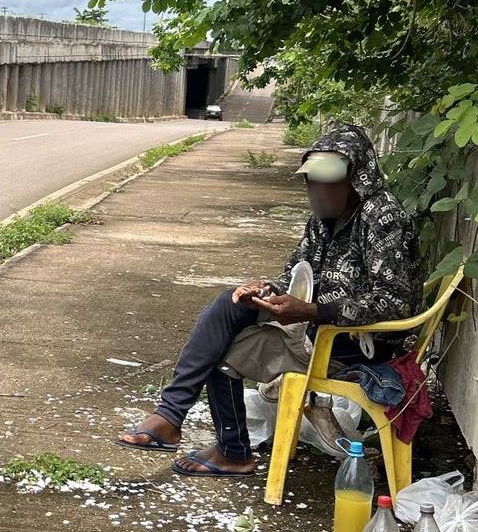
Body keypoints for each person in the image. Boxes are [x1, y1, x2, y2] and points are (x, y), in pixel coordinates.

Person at [117, 123, 420, 478]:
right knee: (230, 308)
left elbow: (396, 302)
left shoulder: (382, 218)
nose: (319, 191)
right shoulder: (324, 220)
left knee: (222, 346)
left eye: (330, 181)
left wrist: (311, 310)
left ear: (358, 178)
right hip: (318, 334)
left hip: (359, 348)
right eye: (313, 181)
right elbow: (296, 272)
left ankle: (187, 426)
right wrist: (266, 290)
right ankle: (199, 432)